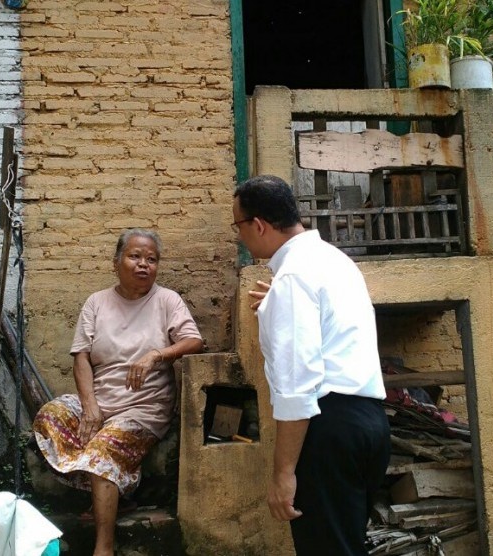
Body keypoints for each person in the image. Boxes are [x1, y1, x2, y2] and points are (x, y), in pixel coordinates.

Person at [233, 175, 390, 556]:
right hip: (369, 422)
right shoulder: (334, 261)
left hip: (329, 428)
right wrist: (278, 304)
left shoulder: (292, 277)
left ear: (258, 225)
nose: (239, 237)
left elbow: (298, 387)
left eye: (237, 225)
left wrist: (283, 473)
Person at [32, 229, 203, 556]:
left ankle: (104, 547)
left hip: (144, 409)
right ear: (116, 262)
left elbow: (194, 341)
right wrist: (91, 407)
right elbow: (81, 357)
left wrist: (157, 354)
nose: (144, 265)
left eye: (151, 259)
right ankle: (112, 494)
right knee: (49, 417)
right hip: (101, 402)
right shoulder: (97, 302)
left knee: (102, 451)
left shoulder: (166, 300)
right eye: (135, 256)